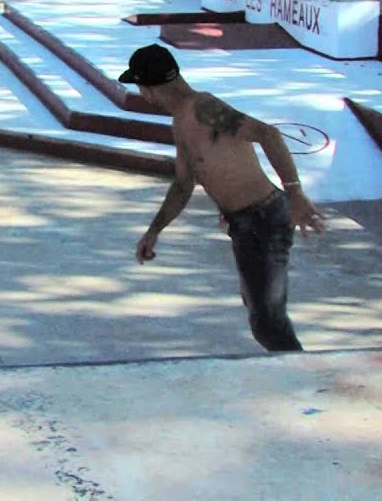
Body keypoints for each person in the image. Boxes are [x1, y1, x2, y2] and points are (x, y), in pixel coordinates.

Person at [119, 44, 326, 352]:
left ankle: (306, 377)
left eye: (141, 88)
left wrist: (295, 193)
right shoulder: (180, 121)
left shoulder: (203, 108)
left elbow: (268, 134)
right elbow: (183, 185)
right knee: (261, 312)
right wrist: (154, 230)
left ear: (147, 87)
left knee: (268, 321)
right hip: (244, 224)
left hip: (265, 217)